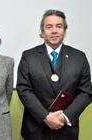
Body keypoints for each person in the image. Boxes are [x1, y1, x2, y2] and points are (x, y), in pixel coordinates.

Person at [16, 9, 92, 140]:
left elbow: (86, 92)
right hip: (35, 130)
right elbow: (23, 89)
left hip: (66, 130)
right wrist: (45, 116)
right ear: (42, 31)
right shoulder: (28, 56)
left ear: (65, 30)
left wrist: (64, 116)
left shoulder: (79, 57)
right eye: (49, 27)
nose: (54, 31)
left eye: (59, 26)